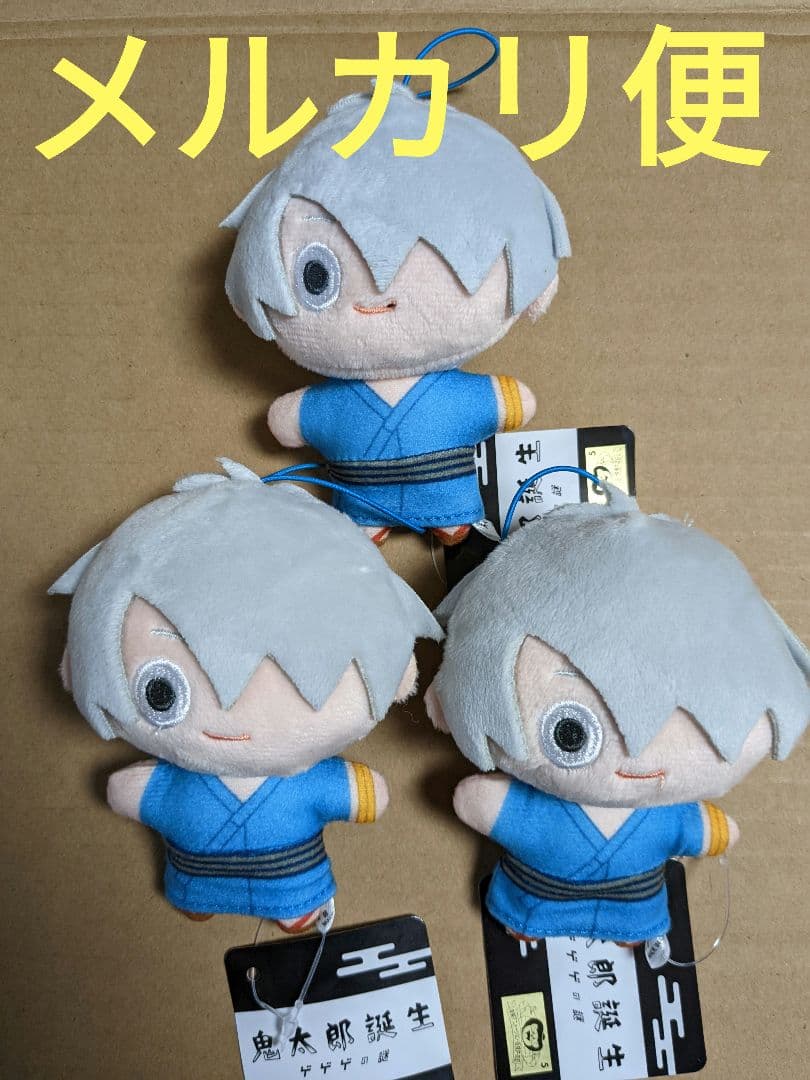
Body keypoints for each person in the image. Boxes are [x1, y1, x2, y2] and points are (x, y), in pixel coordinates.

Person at [50, 459, 441, 930]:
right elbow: (365, 797)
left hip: (289, 880)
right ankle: (220, 896)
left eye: (301, 686)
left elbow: (127, 792)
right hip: (212, 877)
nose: (229, 712)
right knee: (227, 894)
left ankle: (275, 902)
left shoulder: (185, 788)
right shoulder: (292, 786)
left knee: (283, 897)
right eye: (160, 692)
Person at [425, 487, 809, 949]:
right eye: (570, 732)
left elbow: (477, 802)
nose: (636, 754)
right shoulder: (662, 821)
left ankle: (618, 924)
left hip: (604, 900)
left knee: (617, 909)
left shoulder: (644, 818)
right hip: (542, 896)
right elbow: (700, 830)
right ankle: (577, 921)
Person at [222, 84, 569, 545]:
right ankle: (396, 519)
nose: (379, 299)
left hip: (414, 496)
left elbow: (290, 422)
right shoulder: (439, 398)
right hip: (366, 501)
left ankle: (439, 518)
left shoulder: (348, 404)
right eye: (316, 277)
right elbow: (513, 403)